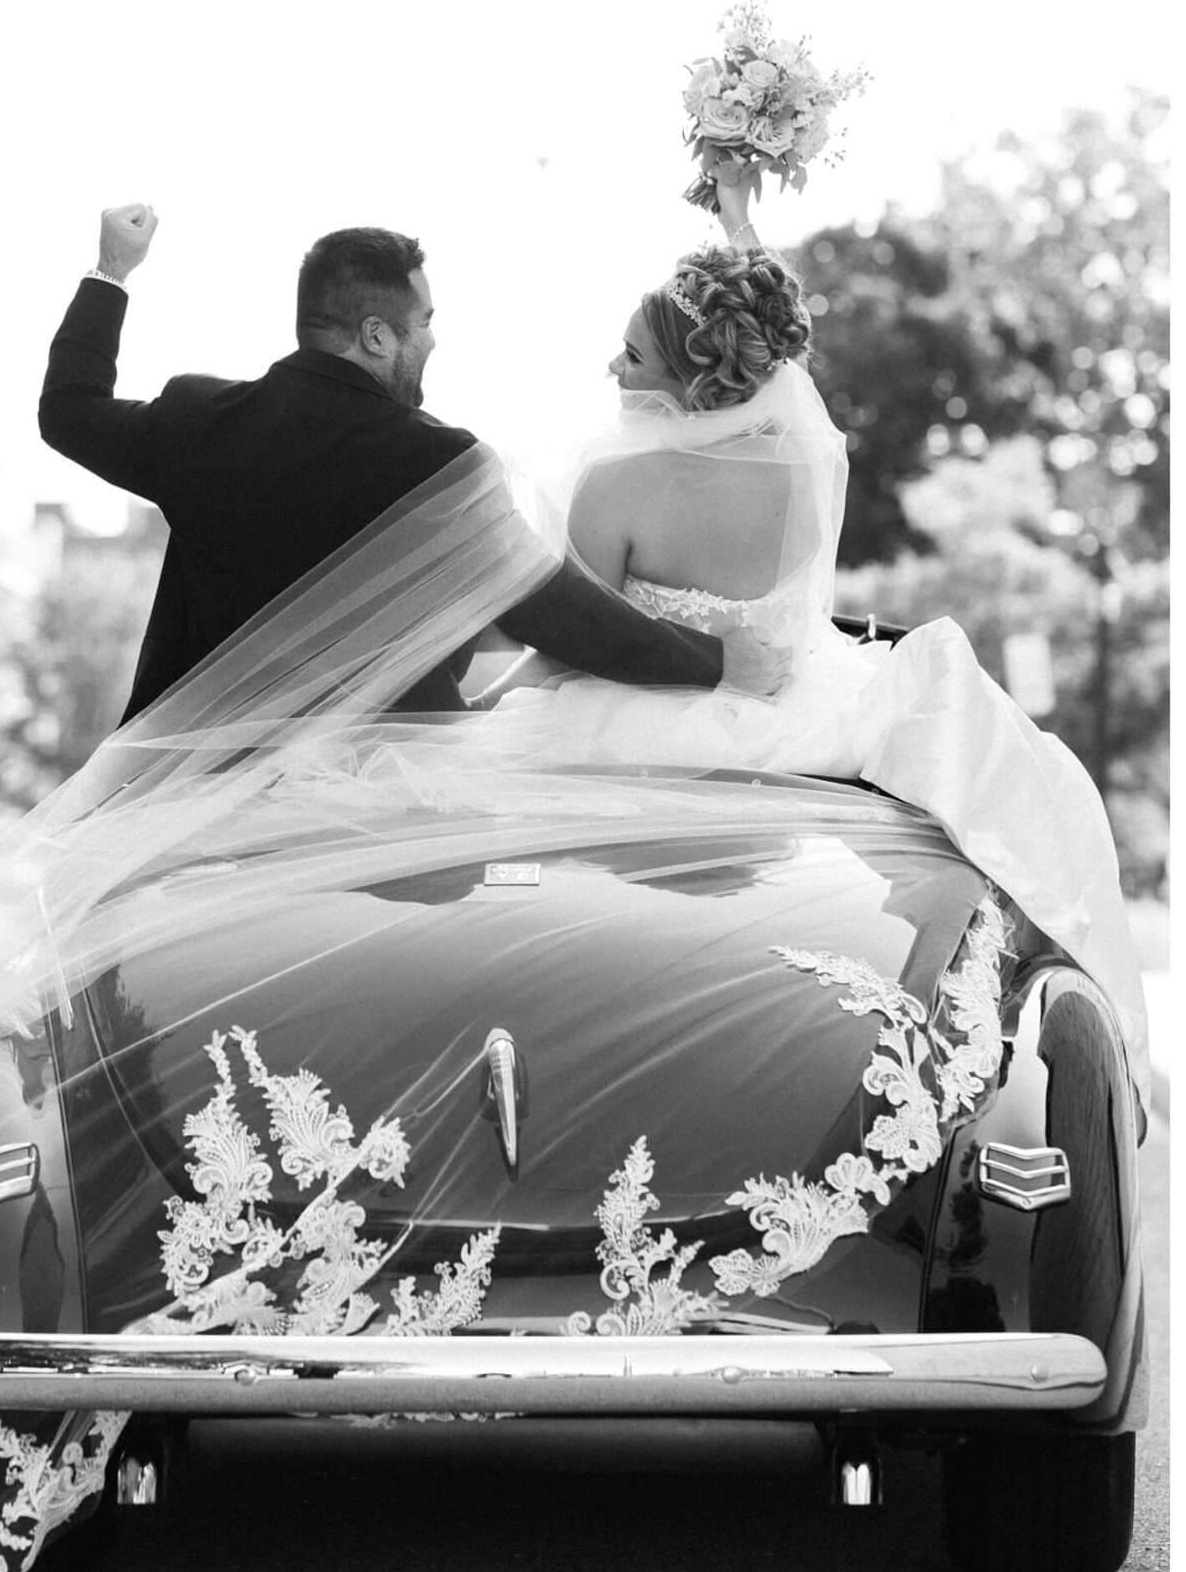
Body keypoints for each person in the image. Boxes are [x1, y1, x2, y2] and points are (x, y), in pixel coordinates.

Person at [467, 167, 1149, 1096]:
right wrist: (740, 223)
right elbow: (770, 358)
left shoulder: (613, 485)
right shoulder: (796, 460)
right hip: (806, 701)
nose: (612, 368)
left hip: (647, 715)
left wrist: (478, 711)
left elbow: (573, 646)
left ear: (691, 379)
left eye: (631, 354)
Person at [39, 202, 786, 713]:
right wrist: (716, 663)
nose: (431, 338)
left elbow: (67, 412)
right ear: (374, 335)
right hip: (376, 808)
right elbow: (558, 614)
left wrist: (111, 270)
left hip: (186, 800)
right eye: (423, 321)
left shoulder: (197, 418)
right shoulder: (438, 464)